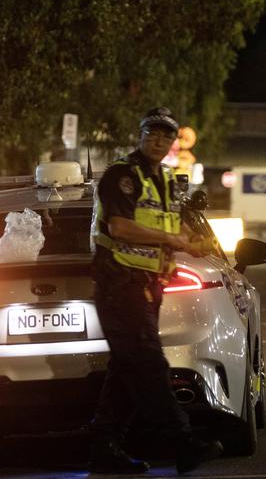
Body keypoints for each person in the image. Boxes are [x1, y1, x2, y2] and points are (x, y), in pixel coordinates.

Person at [89, 107, 222, 474]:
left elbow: (170, 228)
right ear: (141, 134)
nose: (160, 141)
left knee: (126, 369)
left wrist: (194, 243)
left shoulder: (163, 180)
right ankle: (182, 443)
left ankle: (104, 447)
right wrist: (171, 237)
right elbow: (120, 227)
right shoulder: (122, 174)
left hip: (148, 287)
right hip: (120, 285)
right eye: (154, 133)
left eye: (167, 136)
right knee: (149, 364)